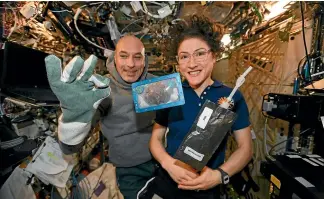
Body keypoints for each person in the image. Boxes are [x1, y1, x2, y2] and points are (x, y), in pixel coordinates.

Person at [138, 15, 253, 199]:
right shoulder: (170, 93)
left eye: (200, 53)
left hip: (208, 189)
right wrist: (168, 164)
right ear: (178, 62)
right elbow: (155, 139)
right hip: (168, 184)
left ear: (214, 55)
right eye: (184, 56)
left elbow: (245, 148)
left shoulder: (232, 97)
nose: (192, 64)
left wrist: (219, 175)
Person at [45, 35, 156, 199]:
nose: (131, 64)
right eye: (124, 56)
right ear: (114, 58)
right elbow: (69, 148)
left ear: (144, 60)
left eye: (137, 57)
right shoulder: (102, 90)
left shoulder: (156, 83)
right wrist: (73, 121)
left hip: (163, 158)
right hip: (130, 170)